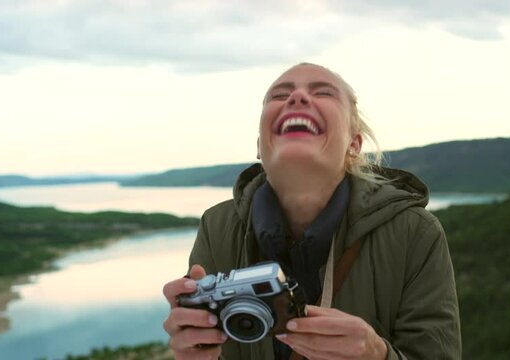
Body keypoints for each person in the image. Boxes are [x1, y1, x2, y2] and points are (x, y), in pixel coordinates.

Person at [163, 63, 461, 359]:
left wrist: (377, 354)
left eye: (323, 93)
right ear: (259, 146)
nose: (297, 97)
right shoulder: (218, 227)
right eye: (279, 96)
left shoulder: (414, 232)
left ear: (354, 145)